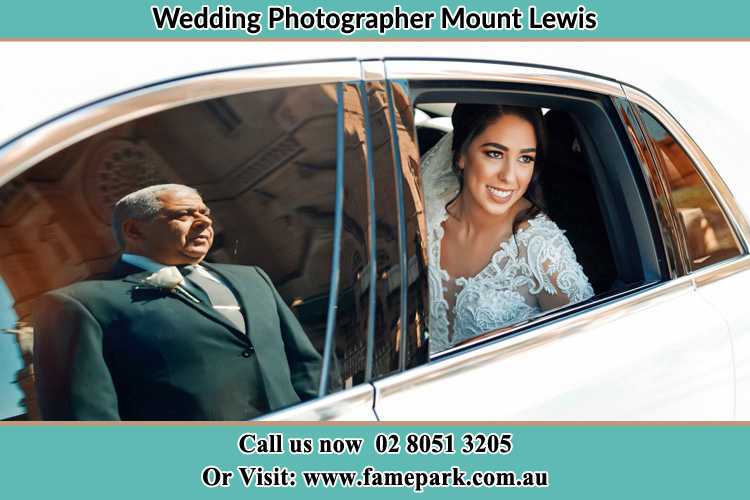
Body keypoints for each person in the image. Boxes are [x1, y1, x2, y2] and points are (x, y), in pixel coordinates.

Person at [32, 184, 322, 420]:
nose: (205, 221)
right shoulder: (80, 304)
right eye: (184, 214)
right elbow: (87, 422)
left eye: (205, 212)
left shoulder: (253, 278)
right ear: (134, 231)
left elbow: (306, 363)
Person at [421, 104, 594, 354]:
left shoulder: (541, 249)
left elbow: (586, 349)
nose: (509, 177)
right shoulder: (428, 213)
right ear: (460, 155)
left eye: (525, 158)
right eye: (494, 154)